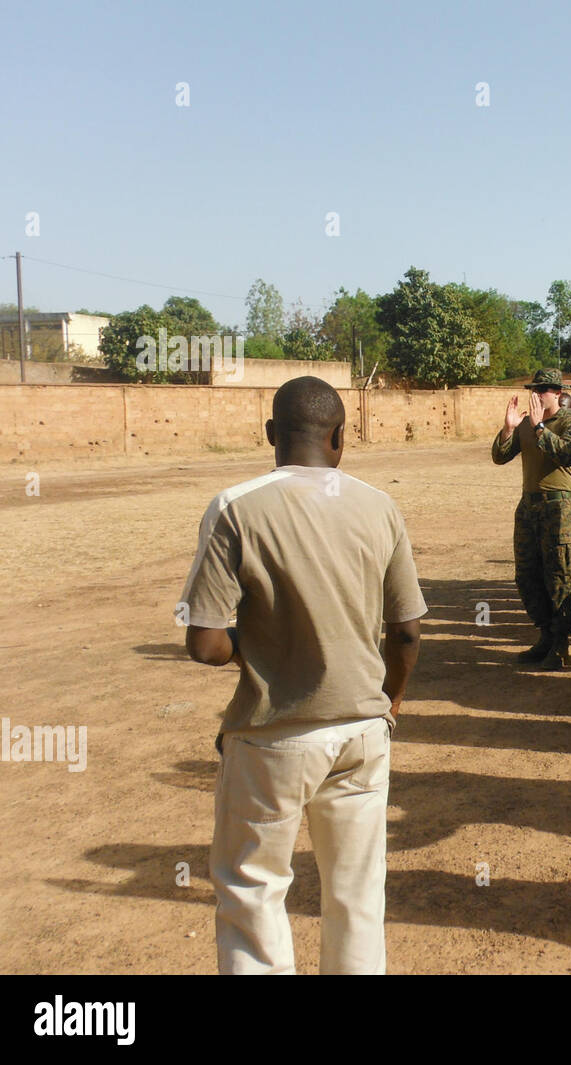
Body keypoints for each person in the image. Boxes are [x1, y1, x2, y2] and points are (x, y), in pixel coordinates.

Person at [181, 376, 425, 974]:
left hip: (273, 735)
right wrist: (390, 699)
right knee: (358, 892)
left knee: (253, 890)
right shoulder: (379, 506)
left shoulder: (235, 507)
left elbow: (206, 644)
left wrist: (256, 644)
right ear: (341, 436)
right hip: (364, 731)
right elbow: (409, 631)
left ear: (271, 434)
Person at [491, 368, 571, 670]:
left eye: (544, 390)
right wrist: (508, 429)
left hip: (558, 508)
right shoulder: (525, 424)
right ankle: (545, 635)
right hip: (528, 506)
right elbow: (500, 456)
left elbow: (569, 454)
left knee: (559, 574)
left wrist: (540, 428)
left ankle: (560, 644)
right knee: (528, 575)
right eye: (535, 389)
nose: (538, 394)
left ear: (558, 393)